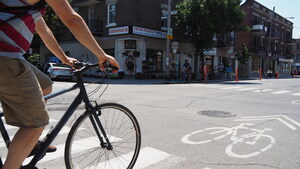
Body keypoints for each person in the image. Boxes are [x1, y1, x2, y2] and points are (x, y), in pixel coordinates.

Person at [0, 0, 120, 169]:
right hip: (6, 56)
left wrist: (64, 58)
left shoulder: (31, 7)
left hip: (10, 55)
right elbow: (72, 19)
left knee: (45, 85)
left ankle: (32, 143)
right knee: (36, 123)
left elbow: (44, 30)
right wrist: (102, 55)